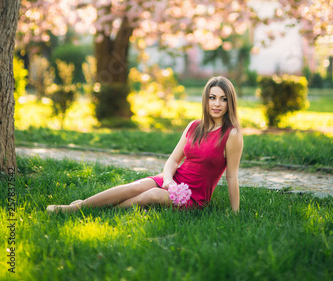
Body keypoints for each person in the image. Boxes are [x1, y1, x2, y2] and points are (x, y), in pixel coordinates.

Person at [47, 76, 243, 214]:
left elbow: (232, 175)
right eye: (212, 97)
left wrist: (235, 212)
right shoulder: (194, 126)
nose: (217, 104)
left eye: (223, 99)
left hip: (193, 196)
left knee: (153, 195)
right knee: (136, 186)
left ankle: (107, 210)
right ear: (206, 100)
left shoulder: (231, 134)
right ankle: (77, 207)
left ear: (229, 103)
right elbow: (173, 160)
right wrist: (168, 179)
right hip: (173, 179)